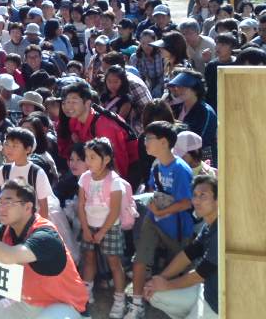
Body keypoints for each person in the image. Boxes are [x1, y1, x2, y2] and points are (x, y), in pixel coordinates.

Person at [0, 179, 88, 318]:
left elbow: (10, 256)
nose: (1, 208)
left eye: (8, 203)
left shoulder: (45, 235)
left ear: (27, 207)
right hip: (30, 301)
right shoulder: (6, 228)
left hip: (67, 306)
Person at [127, 121, 195, 319]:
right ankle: (137, 304)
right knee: (140, 257)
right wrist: (151, 205)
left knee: (179, 267)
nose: (145, 142)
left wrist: (163, 211)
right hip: (154, 220)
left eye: (149, 138)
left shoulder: (181, 169)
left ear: (164, 142)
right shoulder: (156, 165)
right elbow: (153, 189)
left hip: (178, 228)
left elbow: (187, 203)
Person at [145, 175, 219, 319]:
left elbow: (201, 273)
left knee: (163, 289)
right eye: (195, 195)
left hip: (218, 304)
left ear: (218, 200)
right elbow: (187, 254)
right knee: (155, 294)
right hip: (205, 290)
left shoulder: (222, 231)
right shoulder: (208, 226)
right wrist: (160, 279)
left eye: (203, 195)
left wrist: (167, 285)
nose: (196, 201)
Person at [78, 139, 128, 318]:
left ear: (106, 159)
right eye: (86, 157)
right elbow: (81, 204)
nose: (88, 161)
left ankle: (120, 299)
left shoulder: (114, 181)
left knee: (114, 263)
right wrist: (85, 228)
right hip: (89, 225)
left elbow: (114, 211)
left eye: (92, 157)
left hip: (109, 228)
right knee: (89, 258)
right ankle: (86, 292)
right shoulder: (85, 178)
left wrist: (102, 232)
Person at [59, 82, 135, 180]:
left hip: (128, 170)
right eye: (67, 102)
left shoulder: (105, 126)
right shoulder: (74, 121)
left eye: (74, 102)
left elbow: (119, 163)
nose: (68, 106)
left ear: (87, 103)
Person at [0, 127, 51, 219]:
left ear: (28, 149)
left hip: (32, 221)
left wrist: (39, 226)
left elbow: (44, 207)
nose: (9, 149)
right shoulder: (6, 169)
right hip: (10, 220)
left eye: (15, 146)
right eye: (7, 144)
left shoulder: (36, 172)